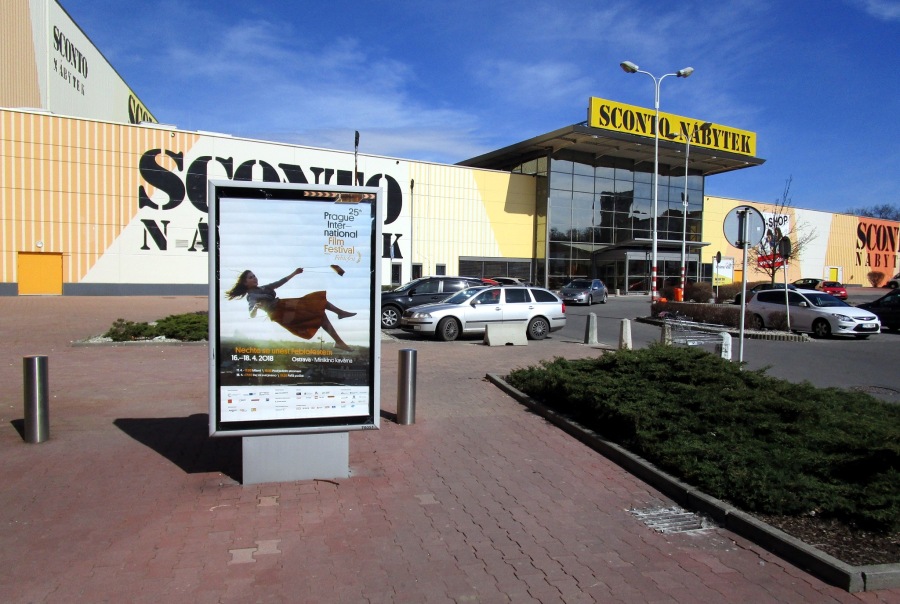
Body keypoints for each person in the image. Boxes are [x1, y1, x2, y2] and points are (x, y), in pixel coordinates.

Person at [226, 268, 356, 351]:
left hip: (285, 305)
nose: (254, 278)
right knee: (318, 306)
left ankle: (339, 335)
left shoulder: (263, 288)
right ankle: (340, 320)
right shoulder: (251, 296)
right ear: (245, 283)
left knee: (318, 305)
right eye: (251, 277)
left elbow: (279, 283)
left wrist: (295, 273)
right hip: (281, 313)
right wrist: (255, 308)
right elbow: (252, 314)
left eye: (254, 276)